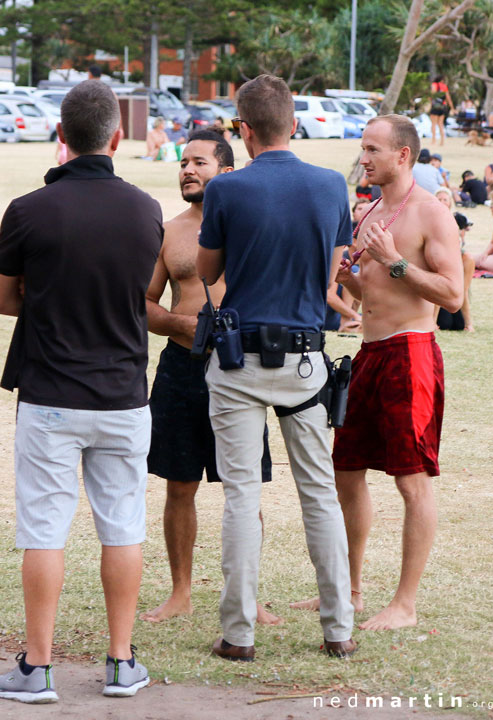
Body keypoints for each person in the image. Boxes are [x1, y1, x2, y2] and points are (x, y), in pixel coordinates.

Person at [0, 80, 163, 703]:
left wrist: (49, 293)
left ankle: (37, 669)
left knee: (44, 529)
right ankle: (120, 662)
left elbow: (1, 299)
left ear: (60, 137)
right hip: (123, 395)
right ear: (117, 137)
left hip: (51, 394)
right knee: (122, 527)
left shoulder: (29, 209)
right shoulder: (147, 210)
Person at [196, 74, 356, 661]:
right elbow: (330, 273)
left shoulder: (227, 189)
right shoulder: (329, 185)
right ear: (293, 123)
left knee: (240, 494)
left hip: (239, 359)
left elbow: (208, 271)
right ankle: (338, 628)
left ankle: (238, 634)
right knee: (318, 493)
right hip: (306, 358)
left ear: (244, 130)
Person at [294, 115, 462, 631]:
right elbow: (374, 295)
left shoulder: (432, 214)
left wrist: (394, 264)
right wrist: (353, 280)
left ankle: (405, 605)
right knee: (346, 472)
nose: (363, 158)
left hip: (410, 355)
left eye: (372, 149)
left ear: (402, 155)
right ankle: (352, 588)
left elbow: (453, 295)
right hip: (367, 353)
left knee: (412, 482)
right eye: (363, 148)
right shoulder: (367, 211)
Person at [140, 130, 279, 626]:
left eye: (198, 161)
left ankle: (247, 594)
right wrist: (181, 325)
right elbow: (145, 305)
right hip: (180, 368)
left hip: (238, 368)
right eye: (182, 162)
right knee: (179, 484)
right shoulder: (169, 230)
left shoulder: (249, 224)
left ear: (226, 169)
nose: (187, 170)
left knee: (242, 487)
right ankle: (180, 591)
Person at [435, 189, 475, 331]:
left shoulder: (455, 221)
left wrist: (469, 323)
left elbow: (463, 290)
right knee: (445, 324)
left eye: (445, 199)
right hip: (435, 291)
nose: (442, 202)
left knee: (458, 325)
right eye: (439, 199)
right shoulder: (429, 223)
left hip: (451, 291)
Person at [474, 190, 493, 273]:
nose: (490, 208)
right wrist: (485, 253)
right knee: (469, 258)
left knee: (482, 262)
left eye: (492, 205)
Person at [429, 76, 453, 146]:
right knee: (440, 124)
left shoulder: (434, 85)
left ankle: (434, 140)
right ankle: (442, 141)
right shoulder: (444, 86)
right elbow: (448, 98)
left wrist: (430, 103)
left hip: (435, 106)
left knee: (433, 124)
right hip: (443, 107)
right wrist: (452, 107)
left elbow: (432, 94)